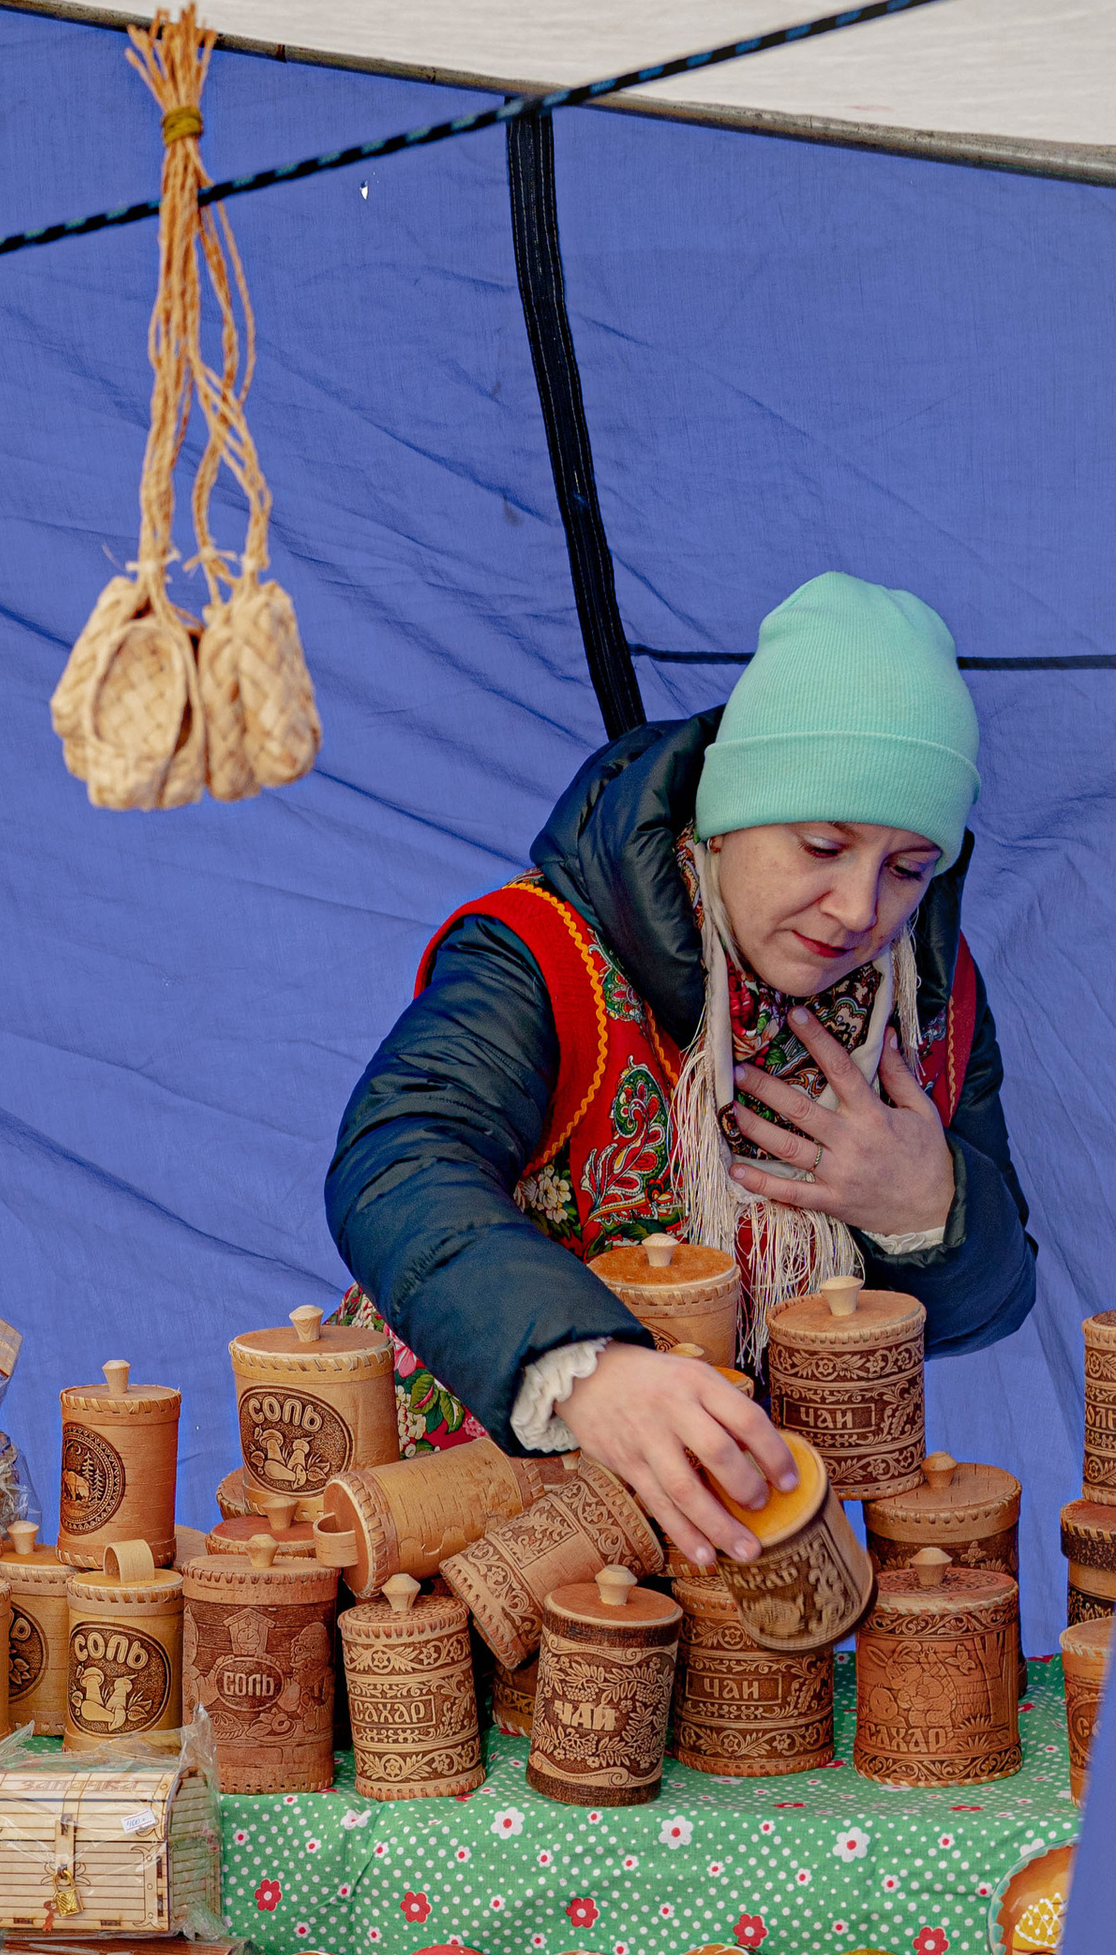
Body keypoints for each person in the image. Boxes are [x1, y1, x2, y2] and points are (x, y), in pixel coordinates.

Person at [326, 575, 1035, 1565]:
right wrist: (580, 1368)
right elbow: (394, 1159)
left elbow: (985, 1307)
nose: (857, 909)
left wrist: (927, 1205)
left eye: (908, 867)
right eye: (821, 844)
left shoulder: (925, 997)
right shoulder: (541, 954)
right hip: (470, 1525)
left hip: (734, 1548)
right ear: (728, 813)